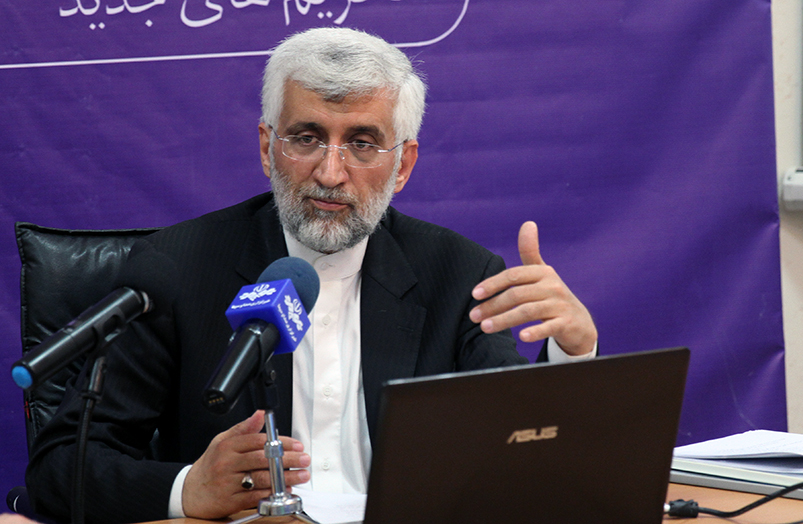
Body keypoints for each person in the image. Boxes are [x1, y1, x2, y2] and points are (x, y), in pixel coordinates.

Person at [25, 27, 598, 524]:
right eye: (306, 138)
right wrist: (187, 488)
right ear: (266, 147)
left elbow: (519, 457)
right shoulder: (178, 267)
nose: (330, 172)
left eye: (363, 144)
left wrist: (572, 359)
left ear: (403, 165)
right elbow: (60, 466)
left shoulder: (460, 276)